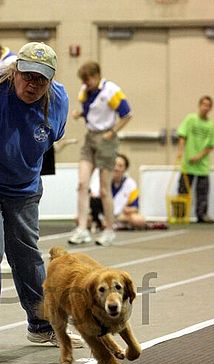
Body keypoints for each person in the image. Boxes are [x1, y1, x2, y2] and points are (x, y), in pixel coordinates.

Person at [0, 41, 83, 361]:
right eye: (27, 76)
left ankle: (41, 325)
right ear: (14, 71)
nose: (33, 85)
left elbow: (49, 139)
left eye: (41, 79)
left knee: (27, 255)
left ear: (50, 80)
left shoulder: (58, 101)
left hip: (22, 186)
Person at [68, 61, 132, 246]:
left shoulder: (111, 90)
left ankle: (109, 230)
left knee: (104, 189)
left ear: (96, 76)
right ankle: (82, 228)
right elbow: (91, 112)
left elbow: (127, 114)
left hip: (106, 139)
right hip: (90, 137)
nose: (86, 83)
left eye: (88, 79)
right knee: (82, 183)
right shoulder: (85, 91)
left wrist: (113, 132)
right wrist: (80, 114)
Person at [176, 95, 214, 223]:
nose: (205, 107)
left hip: (202, 165)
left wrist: (198, 156)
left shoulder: (211, 125)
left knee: (202, 192)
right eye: (203, 104)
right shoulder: (190, 119)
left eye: (208, 106)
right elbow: (182, 135)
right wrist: (181, 152)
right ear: (199, 105)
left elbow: (211, 145)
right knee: (183, 189)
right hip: (187, 164)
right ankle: (180, 215)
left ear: (211, 108)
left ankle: (202, 215)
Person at [89, 154, 147, 231]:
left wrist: (128, 210)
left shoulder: (131, 184)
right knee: (80, 219)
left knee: (139, 220)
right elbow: (93, 199)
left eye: (120, 166)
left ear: (125, 169)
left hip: (120, 216)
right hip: (102, 214)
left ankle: (111, 224)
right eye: (114, 165)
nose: (116, 168)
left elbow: (135, 208)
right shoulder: (99, 180)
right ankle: (104, 223)